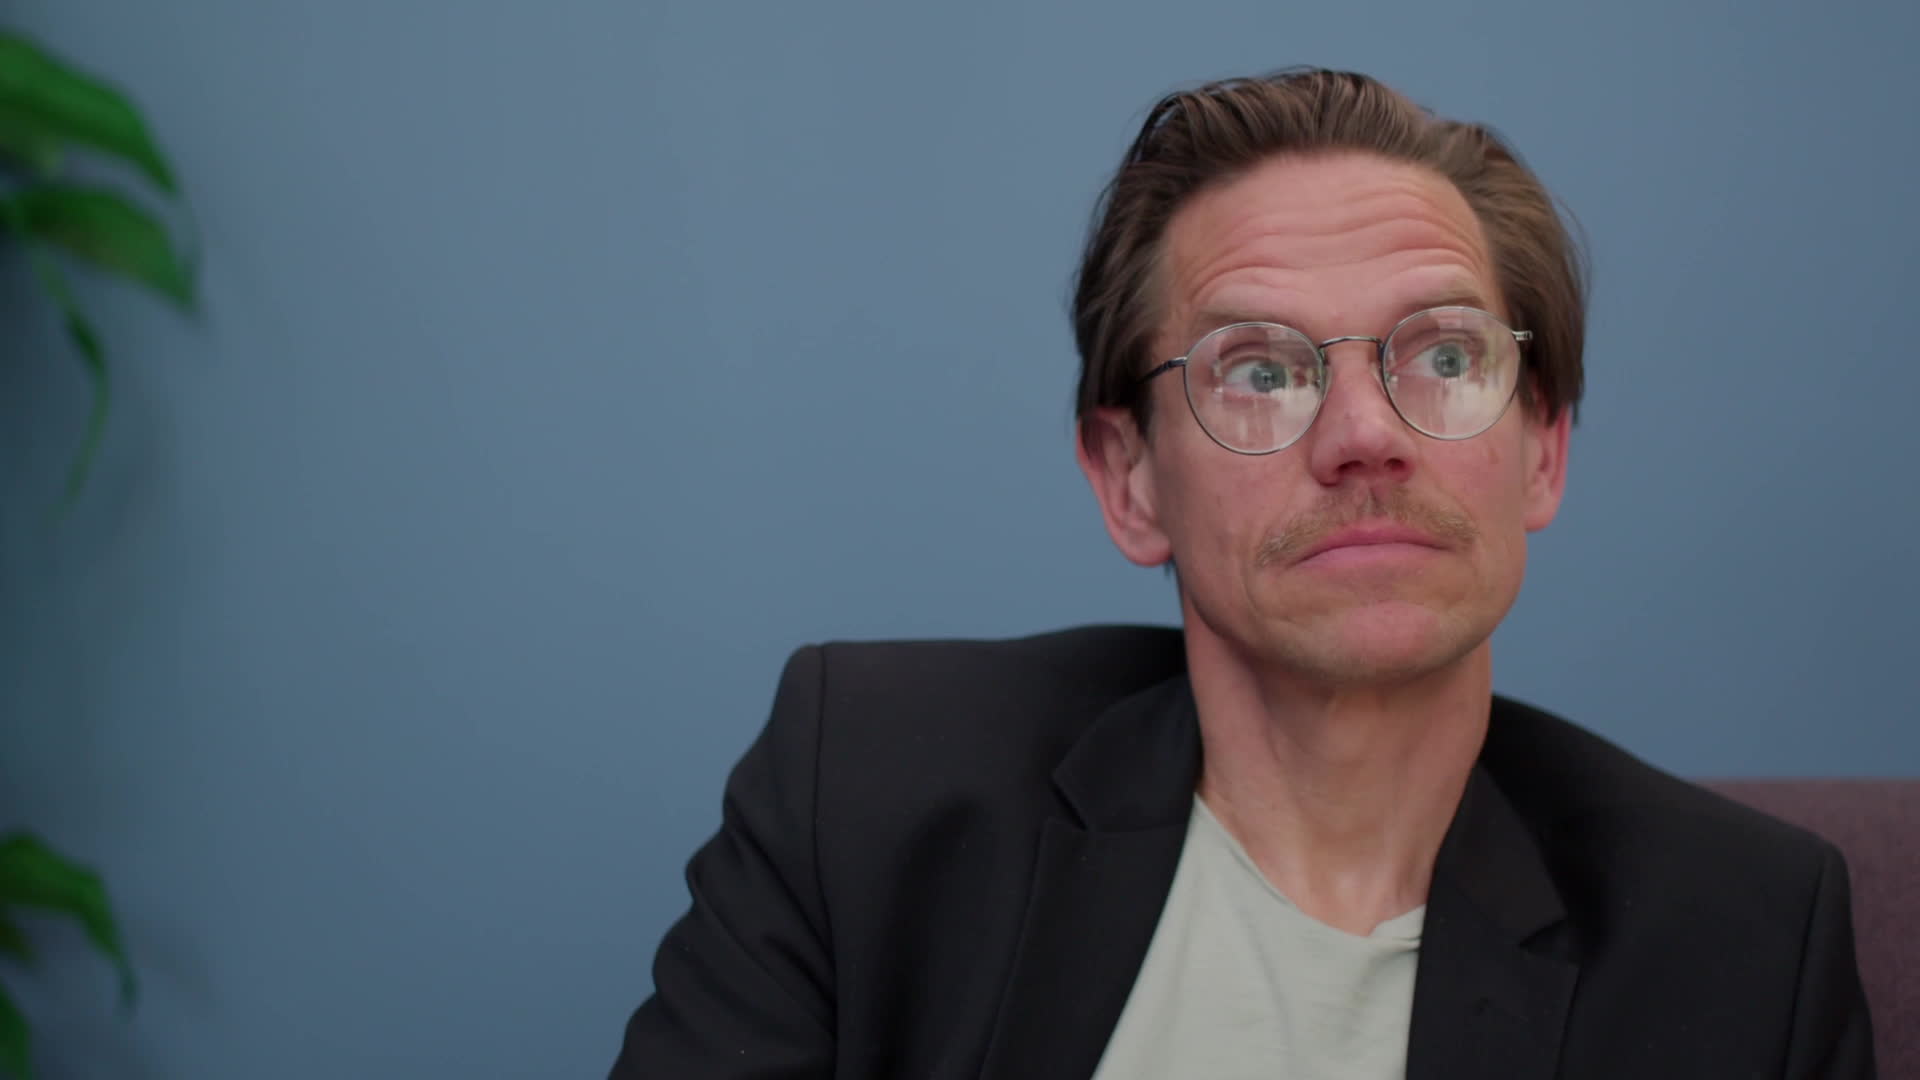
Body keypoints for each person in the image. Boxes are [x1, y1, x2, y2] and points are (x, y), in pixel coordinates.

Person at [607, 68, 1875, 1079]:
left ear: (1542, 449)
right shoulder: (866, 795)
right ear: (1131, 480)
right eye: (1260, 370)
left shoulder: (1745, 941)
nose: (1365, 435)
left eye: (1443, 356)